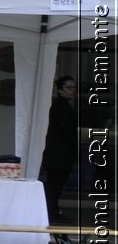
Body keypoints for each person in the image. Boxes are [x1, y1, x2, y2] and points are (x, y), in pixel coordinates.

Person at [43, 75, 78, 220]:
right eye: (69, 87)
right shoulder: (61, 107)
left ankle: (52, 211)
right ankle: (52, 212)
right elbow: (66, 131)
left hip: (57, 153)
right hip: (60, 153)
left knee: (54, 185)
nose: (73, 90)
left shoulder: (60, 106)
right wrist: (73, 147)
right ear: (60, 90)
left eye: (74, 87)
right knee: (55, 185)